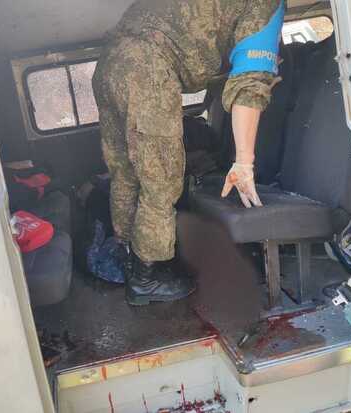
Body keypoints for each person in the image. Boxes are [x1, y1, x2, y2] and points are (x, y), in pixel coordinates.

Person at [92, 0, 285, 306]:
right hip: (146, 67)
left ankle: (129, 256)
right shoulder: (265, 4)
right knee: (161, 179)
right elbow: (250, 83)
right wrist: (244, 162)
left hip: (109, 64)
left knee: (126, 172)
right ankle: (146, 278)